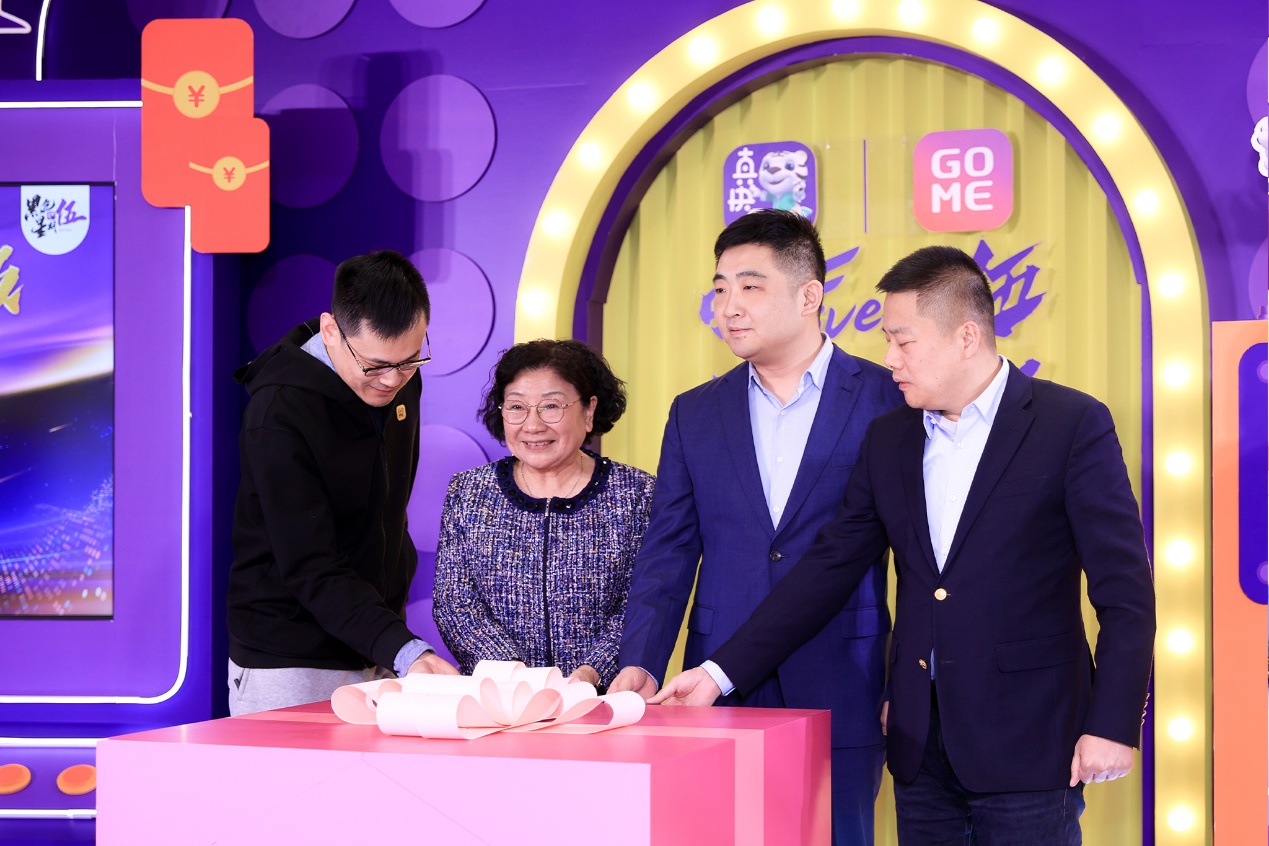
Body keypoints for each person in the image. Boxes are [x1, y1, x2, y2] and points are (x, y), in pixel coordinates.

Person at [654, 245, 1157, 845]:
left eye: (904, 341)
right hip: (919, 744)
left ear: (966, 337)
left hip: (1032, 737)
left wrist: (1113, 724)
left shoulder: (1069, 423)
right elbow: (828, 567)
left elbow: (1125, 593)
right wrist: (718, 673)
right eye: (887, 340)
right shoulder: (890, 437)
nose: (889, 358)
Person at [609, 209, 903, 845]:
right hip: (714, 682)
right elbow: (668, 551)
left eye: (750, 285)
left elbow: (920, 556)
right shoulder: (695, 412)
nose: (728, 307)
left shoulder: (888, 398)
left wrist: (904, 678)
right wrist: (642, 662)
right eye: (720, 288)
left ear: (809, 295)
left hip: (843, 672)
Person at [226, 249, 457, 716]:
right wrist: (403, 648)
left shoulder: (400, 381)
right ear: (331, 330)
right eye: (375, 365)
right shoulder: (278, 414)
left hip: (377, 645)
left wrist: (390, 640)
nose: (392, 380)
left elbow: (387, 512)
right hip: (291, 657)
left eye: (410, 360)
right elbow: (310, 563)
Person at [433, 340, 656, 689]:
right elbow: (455, 603)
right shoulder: (469, 492)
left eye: (551, 406)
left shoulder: (636, 493)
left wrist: (591, 672)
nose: (532, 425)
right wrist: (515, 676)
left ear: (589, 410)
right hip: (499, 700)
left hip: (607, 698)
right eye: (516, 407)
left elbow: (642, 602)